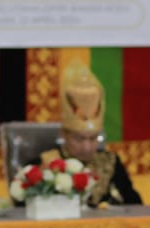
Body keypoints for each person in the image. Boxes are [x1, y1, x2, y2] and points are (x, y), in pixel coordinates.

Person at [35, 60, 142, 206]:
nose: (87, 147)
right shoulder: (47, 162)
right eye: (79, 139)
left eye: (93, 138)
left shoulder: (111, 162)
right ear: (63, 135)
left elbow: (135, 205)